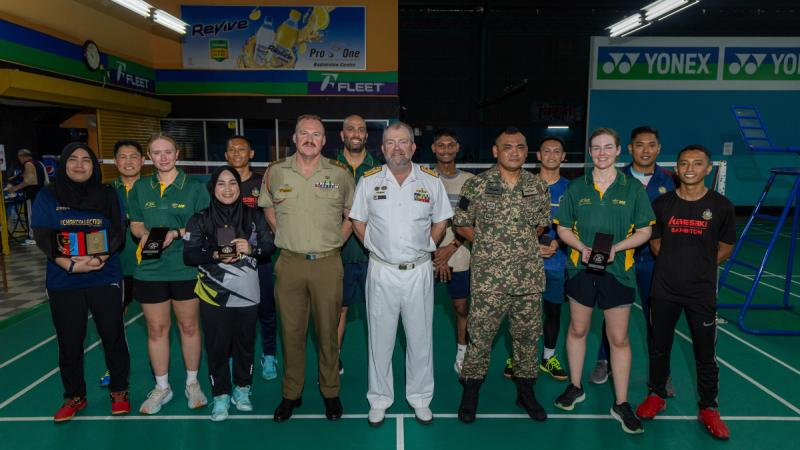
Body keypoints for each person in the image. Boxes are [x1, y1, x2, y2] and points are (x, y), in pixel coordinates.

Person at [349, 121, 452, 427]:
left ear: (413, 147)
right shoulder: (368, 181)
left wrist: (430, 245)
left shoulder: (431, 181)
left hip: (419, 270)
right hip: (381, 271)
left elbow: (442, 220)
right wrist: (372, 245)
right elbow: (357, 220)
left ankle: (420, 398)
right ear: (382, 149)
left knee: (420, 339)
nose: (397, 148)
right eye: (391, 143)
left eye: (403, 141)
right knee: (379, 339)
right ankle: (379, 399)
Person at [552, 127, 654, 435]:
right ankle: (575, 385)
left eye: (608, 147)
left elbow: (645, 231)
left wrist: (616, 249)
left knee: (619, 339)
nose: (602, 153)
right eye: (596, 148)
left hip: (618, 272)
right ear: (590, 152)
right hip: (580, 271)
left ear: (618, 150)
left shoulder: (632, 188)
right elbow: (563, 228)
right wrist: (581, 247)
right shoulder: (577, 187)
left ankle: (621, 403)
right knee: (578, 329)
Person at [258, 114, 355, 422]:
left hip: (327, 263)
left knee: (327, 332)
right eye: (304, 133)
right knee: (291, 332)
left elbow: (352, 214)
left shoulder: (339, 174)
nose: (310, 139)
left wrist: (335, 242)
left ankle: (330, 392)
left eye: (316, 134)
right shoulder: (276, 172)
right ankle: (291, 394)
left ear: (325, 141)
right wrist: (283, 234)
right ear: (295, 138)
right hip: (289, 264)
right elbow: (267, 206)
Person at [635, 145, 735, 440]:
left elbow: (726, 246)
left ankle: (708, 408)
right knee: (658, 347)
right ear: (676, 169)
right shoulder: (662, 204)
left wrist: (699, 267)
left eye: (697, 163)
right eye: (684, 163)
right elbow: (655, 241)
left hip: (701, 293)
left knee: (705, 354)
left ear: (708, 169)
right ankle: (656, 395)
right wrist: (673, 265)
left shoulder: (721, 206)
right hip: (664, 290)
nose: (689, 168)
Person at [454, 127, 550, 424]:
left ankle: (526, 392)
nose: (514, 152)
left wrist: (516, 244)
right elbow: (461, 223)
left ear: (526, 151)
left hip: (527, 279)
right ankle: (470, 393)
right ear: (496, 151)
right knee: (480, 338)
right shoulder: (477, 185)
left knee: (526, 338)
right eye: (507, 147)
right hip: (489, 280)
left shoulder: (538, 186)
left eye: (520, 147)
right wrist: (490, 244)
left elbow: (540, 225)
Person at [31, 142, 130, 421]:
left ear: (94, 166)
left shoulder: (108, 194)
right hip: (64, 280)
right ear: (63, 164)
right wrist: (70, 265)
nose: (79, 165)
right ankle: (74, 396)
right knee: (69, 341)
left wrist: (98, 258)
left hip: (104, 275)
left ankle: (119, 391)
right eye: (72, 159)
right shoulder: (47, 196)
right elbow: (42, 235)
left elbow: (117, 231)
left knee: (113, 336)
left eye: (86, 160)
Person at [184, 166, 275, 422]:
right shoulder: (200, 218)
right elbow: (189, 254)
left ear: (239, 186)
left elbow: (269, 246)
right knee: (218, 347)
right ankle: (221, 395)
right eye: (221, 184)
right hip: (214, 294)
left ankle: (242, 389)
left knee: (245, 345)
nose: (227, 189)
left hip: (247, 295)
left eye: (232, 183)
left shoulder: (253, 216)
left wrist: (251, 248)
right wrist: (213, 253)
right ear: (212, 188)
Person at [128, 133, 210, 415]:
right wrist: (145, 234)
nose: (163, 157)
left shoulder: (196, 188)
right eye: (156, 153)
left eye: (168, 152)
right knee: (156, 330)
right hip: (150, 270)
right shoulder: (140, 187)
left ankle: (192, 382)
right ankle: (162, 387)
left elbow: (204, 227)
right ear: (149, 157)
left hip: (185, 268)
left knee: (189, 327)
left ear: (177, 154)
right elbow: (136, 224)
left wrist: (175, 233)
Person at [591, 126, 676, 393]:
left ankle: (661, 374)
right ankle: (604, 360)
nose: (646, 150)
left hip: (655, 262)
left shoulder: (671, 181)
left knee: (657, 319)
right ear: (629, 148)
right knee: (612, 314)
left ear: (659, 148)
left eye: (651, 144)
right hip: (619, 259)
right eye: (640, 145)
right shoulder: (614, 176)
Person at [224, 135, 279, 381]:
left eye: (242, 149)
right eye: (232, 149)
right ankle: (236, 356)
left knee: (266, 310)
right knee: (233, 313)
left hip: (261, 259)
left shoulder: (263, 183)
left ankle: (269, 355)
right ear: (226, 155)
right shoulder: (220, 184)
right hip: (229, 261)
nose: (237, 153)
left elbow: (274, 217)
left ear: (251, 153)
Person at [336, 115, 379, 376]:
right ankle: (333, 361)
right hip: (336, 255)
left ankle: (378, 365)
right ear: (342, 135)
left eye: (361, 129)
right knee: (337, 311)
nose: (356, 133)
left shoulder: (379, 169)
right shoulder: (328, 167)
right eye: (350, 129)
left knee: (375, 313)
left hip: (371, 255)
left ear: (366, 136)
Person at [99, 139, 144, 388]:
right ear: (115, 161)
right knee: (114, 321)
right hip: (116, 267)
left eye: (133, 156)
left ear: (142, 160)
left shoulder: (151, 188)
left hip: (149, 268)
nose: (128, 161)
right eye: (123, 157)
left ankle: (158, 368)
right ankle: (116, 368)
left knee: (156, 323)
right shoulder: (105, 192)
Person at [430, 129, 474, 374]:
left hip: (460, 255)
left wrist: (451, 248)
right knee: (421, 311)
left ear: (457, 148)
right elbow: (417, 220)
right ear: (434, 149)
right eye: (441, 145)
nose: (445, 149)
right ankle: (421, 357)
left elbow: (473, 221)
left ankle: (462, 352)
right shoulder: (424, 178)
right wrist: (436, 253)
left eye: (450, 144)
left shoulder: (469, 181)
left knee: (461, 307)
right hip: (428, 257)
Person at [6, 148, 48, 244]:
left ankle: (33, 237)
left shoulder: (28, 164)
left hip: (33, 195)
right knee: (40, 215)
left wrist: (15, 188)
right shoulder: (39, 163)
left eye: (19, 157)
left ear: (22, 156)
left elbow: (30, 180)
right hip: (41, 194)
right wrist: (16, 177)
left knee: (31, 216)